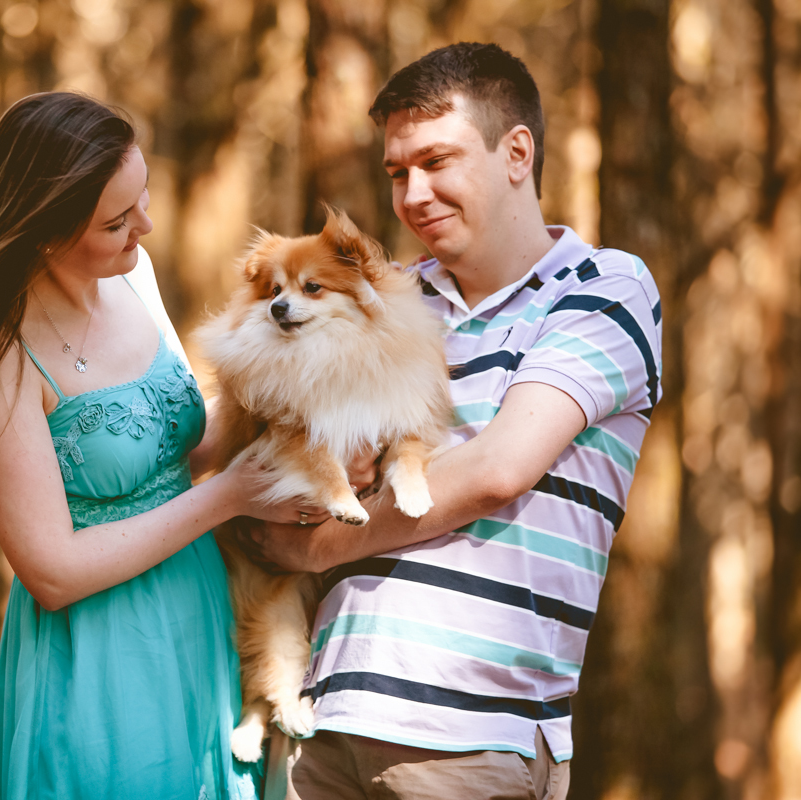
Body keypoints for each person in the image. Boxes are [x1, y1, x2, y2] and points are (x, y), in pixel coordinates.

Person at [0, 92, 327, 800]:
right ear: (44, 233)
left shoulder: (133, 275)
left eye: (141, 199)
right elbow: (51, 571)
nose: (144, 226)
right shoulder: (3, 355)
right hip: (102, 649)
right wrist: (228, 498)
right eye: (116, 222)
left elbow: (172, 438)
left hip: (201, 613)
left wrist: (295, 400)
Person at [251, 43, 663, 799]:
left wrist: (309, 550)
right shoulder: (385, 296)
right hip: (322, 722)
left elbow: (496, 471)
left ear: (517, 153)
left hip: (469, 738)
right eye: (397, 173)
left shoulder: (602, 287)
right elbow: (274, 428)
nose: (414, 195)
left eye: (437, 162)